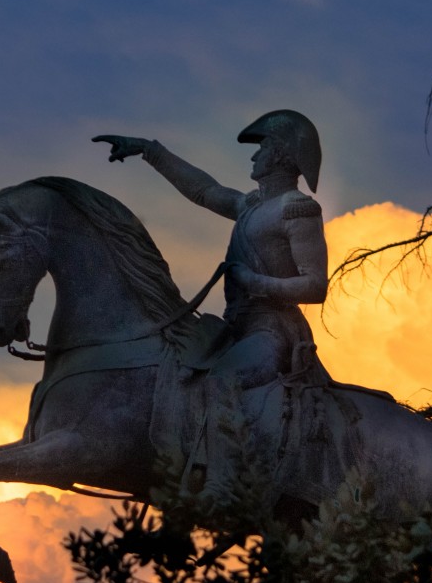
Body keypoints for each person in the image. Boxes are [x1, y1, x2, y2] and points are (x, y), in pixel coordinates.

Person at [93, 110, 328, 505]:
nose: (255, 156)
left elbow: (316, 286)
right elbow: (203, 190)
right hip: (237, 326)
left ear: (284, 155)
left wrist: (254, 283)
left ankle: (222, 483)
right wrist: (149, 151)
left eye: (265, 146)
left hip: (273, 331)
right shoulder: (251, 205)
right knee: (174, 366)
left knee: (222, 380)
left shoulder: (297, 209)